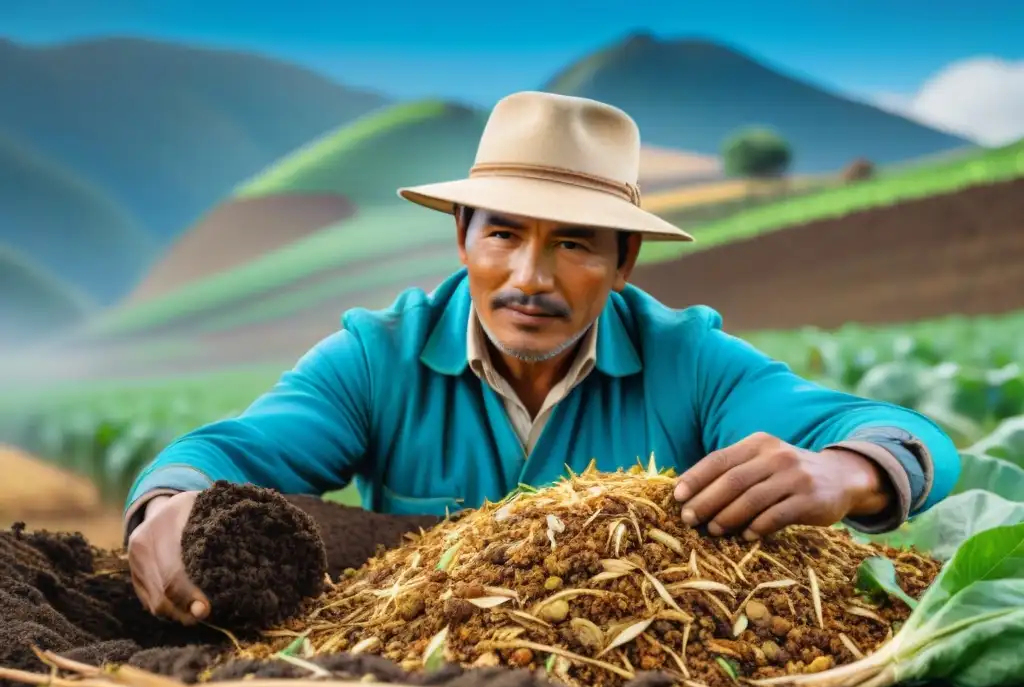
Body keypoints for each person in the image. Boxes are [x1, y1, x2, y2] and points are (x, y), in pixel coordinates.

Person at [124, 91, 960, 626]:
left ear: (626, 261)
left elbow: (902, 435)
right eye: (503, 234)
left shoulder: (690, 361)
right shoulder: (377, 359)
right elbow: (224, 455)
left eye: (573, 244)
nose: (530, 278)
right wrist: (164, 507)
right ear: (462, 237)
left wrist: (846, 473)